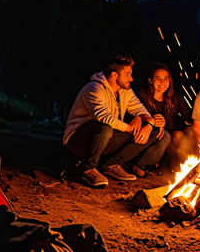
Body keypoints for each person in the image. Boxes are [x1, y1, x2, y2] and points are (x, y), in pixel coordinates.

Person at [63, 54, 170, 187]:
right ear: (114, 75)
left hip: (104, 138)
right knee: (105, 127)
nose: (131, 78)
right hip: (79, 141)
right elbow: (104, 116)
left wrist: (148, 124)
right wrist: (131, 128)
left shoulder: (125, 91)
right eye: (127, 74)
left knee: (154, 131)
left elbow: (140, 109)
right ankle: (88, 169)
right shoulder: (94, 88)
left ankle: (112, 165)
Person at [137, 63, 192, 173]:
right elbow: (137, 117)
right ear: (150, 80)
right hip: (151, 140)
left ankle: (182, 167)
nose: (162, 82)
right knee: (168, 137)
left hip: (171, 143)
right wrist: (154, 120)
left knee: (182, 134)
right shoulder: (142, 96)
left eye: (166, 78)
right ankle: (147, 165)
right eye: (158, 78)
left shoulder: (174, 98)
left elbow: (189, 117)